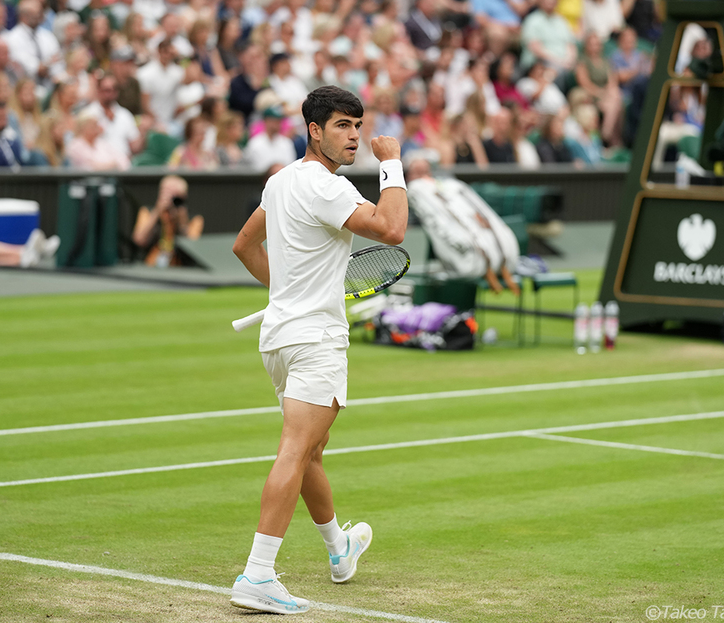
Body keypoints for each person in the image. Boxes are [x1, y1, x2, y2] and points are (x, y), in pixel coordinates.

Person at [229, 85, 407, 615]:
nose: (354, 137)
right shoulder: (326, 187)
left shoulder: (280, 181)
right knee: (295, 448)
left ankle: (339, 548)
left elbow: (243, 245)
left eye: (358, 126)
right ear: (315, 130)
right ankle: (258, 575)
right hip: (315, 340)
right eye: (343, 126)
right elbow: (393, 229)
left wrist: (285, 294)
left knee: (309, 453)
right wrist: (392, 165)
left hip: (281, 340)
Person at [406, 157, 521, 295]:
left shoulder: (450, 186)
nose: (422, 177)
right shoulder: (414, 191)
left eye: (425, 171)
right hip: (460, 261)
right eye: (417, 172)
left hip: (474, 261)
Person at [132, 174, 204, 267]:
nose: (170, 199)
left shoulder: (194, 218)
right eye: (167, 193)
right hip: (150, 263)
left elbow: (192, 248)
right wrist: (157, 212)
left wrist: (181, 221)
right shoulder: (148, 212)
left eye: (175, 195)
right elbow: (139, 240)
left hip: (180, 267)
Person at [65, 109, 130, 170]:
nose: (97, 127)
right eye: (93, 125)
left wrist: (116, 165)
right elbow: (90, 167)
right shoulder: (75, 146)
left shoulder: (101, 143)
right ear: (83, 127)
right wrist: (113, 165)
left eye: (97, 124)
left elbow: (122, 159)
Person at [243, 105, 297, 171]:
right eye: (274, 121)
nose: (277, 124)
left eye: (279, 121)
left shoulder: (287, 143)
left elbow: (290, 167)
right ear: (266, 121)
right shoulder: (254, 143)